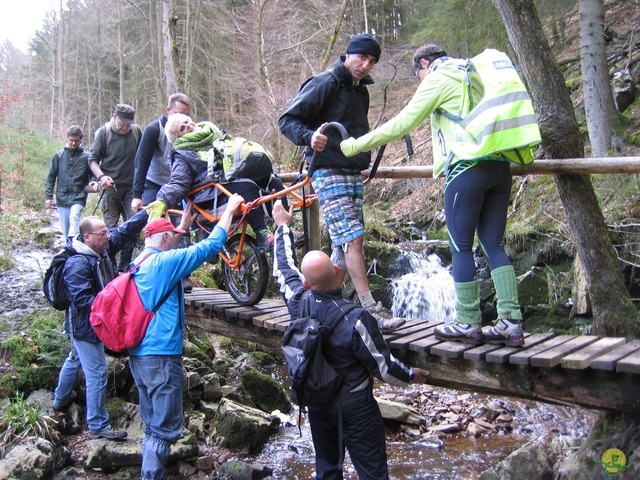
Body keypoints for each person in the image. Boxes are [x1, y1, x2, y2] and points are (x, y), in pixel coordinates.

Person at [340, 44, 542, 347]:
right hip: (500, 166)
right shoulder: (474, 72)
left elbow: (403, 123)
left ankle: (467, 321)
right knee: (494, 246)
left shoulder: (439, 77)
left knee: (460, 247)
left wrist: (356, 145)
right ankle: (510, 323)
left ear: (424, 64)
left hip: (467, 168)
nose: (422, 80)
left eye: (419, 75)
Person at [271, 199, 429, 479]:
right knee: (372, 472)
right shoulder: (356, 318)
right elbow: (383, 367)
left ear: (307, 283)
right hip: (354, 406)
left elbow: (283, 267)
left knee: (328, 469)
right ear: (337, 273)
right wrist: (412, 375)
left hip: (318, 402)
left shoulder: (298, 301)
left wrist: (283, 226)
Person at [278, 33, 406, 333]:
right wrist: (309, 137)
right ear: (348, 54)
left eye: (372, 61)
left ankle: (327, 302)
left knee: (342, 242)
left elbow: (357, 132)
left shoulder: (361, 91)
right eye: (361, 57)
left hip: (351, 171)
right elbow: (287, 120)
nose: (365, 65)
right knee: (353, 238)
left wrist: (361, 163)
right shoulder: (325, 83)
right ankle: (371, 308)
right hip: (327, 169)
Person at [129, 194, 244, 480]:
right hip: (161, 357)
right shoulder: (164, 263)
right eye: (176, 236)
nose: (180, 239)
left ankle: (149, 472)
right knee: (165, 429)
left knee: (153, 423)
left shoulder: (139, 261)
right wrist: (229, 211)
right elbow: (211, 246)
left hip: (140, 354)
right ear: (166, 239)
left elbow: (173, 243)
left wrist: (182, 223)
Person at [53, 208, 149, 440]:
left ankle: (60, 399)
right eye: (102, 233)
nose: (108, 236)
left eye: (107, 232)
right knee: (97, 371)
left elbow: (124, 231)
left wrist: (149, 211)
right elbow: (83, 300)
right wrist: (113, 307)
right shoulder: (77, 263)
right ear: (87, 237)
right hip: (85, 327)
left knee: (75, 358)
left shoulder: (101, 250)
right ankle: (97, 425)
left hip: (93, 323)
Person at [146, 114, 287, 249]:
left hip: (226, 183)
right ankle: (262, 233)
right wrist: (163, 200)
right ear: (177, 137)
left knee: (273, 182)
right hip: (207, 195)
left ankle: (283, 228)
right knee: (246, 187)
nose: (188, 126)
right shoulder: (181, 155)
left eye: (188, 122)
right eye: (182, 128)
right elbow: (179, 182)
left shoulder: (215, 135)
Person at [89, 103, 143, 271]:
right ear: (114, 117)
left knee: (132, 226)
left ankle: (125, 266)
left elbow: (144, 157)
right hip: (110, 188)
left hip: (132, 188)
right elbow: (92, 160)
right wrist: (101, 177)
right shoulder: (104, 133)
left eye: (128, 124)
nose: (125, 127)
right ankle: (109, 266)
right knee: (110, 230)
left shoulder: (136, 132)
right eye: (122, 123)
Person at [131, 93, 192, 213]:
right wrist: (137, 195)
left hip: (177, 184)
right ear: (168, 110)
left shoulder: (190, 129)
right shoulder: (154, 129)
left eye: (186, 115)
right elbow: (141, 162)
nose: (182, 118)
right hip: (154, 182)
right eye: (178, 114)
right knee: (153, 220)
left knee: (181, 223)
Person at [45, 125, 98, 240]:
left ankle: (73, 246)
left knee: (74, 217)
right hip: (62, 197)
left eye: (76, 141)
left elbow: (94, 173)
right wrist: (48, 197)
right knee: (65, 227)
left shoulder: (87, 157)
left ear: (81, 139)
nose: (74, 143)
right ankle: (69, 247)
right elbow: (51, 177)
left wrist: (94, 182)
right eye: (71, 140)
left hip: (78, 196)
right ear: (67, 138)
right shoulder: (59, 156)